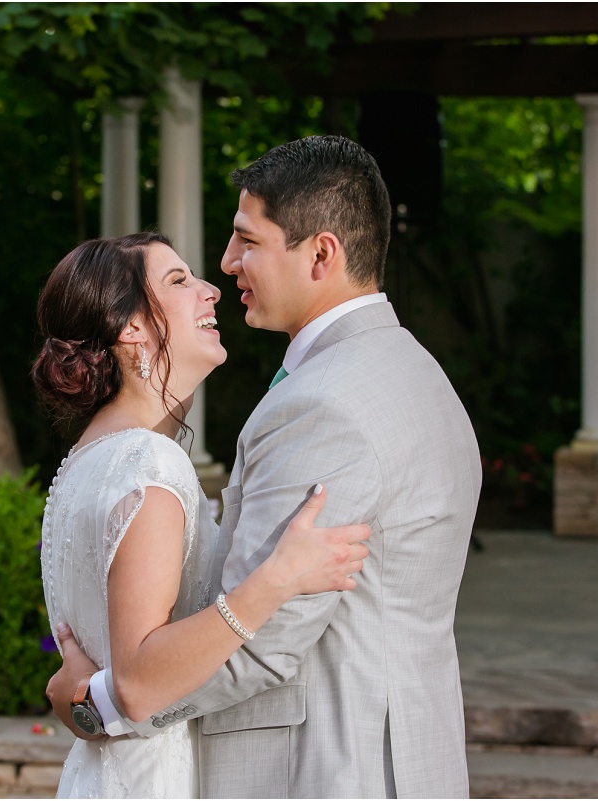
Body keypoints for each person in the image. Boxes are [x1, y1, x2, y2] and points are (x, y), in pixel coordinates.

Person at [47, 136, 482, 798]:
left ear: (321, 253)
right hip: (400, 755)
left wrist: (96, 701)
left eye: (246, 241)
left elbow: (261, 644)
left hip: (328, 768)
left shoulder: (322, 405)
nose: (224, 266)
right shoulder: (414, 372)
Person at [32, 231, 371, 798]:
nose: (210, 290)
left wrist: (80, 706)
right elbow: (139, 682)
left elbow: (102, 688)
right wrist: (278, 579)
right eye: (178, 281)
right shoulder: (148, 463)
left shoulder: (84, 460)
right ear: (130, 327)